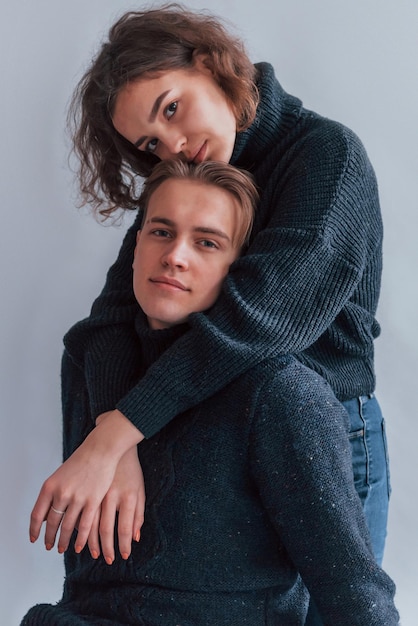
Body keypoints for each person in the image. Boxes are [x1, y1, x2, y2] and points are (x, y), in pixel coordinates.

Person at [27, 4, 391, 624]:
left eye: (171, 108)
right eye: (149, 143)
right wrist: (117, 448)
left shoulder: (327, 158)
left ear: (212, 65)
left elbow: (257, 325)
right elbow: (110, 322)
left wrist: (114, 435)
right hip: (204, 414)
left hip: (321, 424)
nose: (172, 145)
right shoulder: (189, 178)